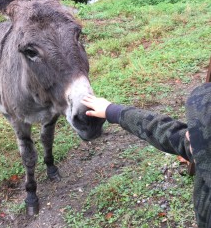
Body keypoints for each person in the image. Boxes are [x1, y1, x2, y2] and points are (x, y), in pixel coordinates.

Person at [81, 83, 211, 228]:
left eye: (197, 132)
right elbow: (166, 132)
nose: (188, 134)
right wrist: (114, 112)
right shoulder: (202, 150)